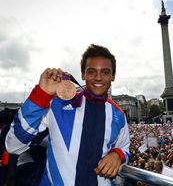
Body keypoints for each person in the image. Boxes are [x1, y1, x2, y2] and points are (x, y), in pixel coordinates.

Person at [6, 44, 130, 186]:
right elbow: (13, 145)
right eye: (91, 72)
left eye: (105, 72)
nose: (98, 78)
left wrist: (118, 154)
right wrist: (41, 95)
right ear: (83, 74)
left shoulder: (119, 115)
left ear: (113, 76)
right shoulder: (56, 104)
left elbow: (124, 147)